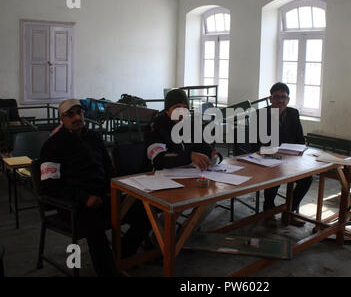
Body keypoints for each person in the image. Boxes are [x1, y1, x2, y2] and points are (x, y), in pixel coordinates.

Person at [40, 99, 150, 277]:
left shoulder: (93, 137)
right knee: (94, 226)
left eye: (79, 112)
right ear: (62, 118)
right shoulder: (52, 145)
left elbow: (108, 169)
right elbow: (50, 186)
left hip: (103, 197)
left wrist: (114, 188)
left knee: (145, 211)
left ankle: (121, 256)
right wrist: (84, 198)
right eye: (71, 114)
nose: (77, 117)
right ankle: (108, 272)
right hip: (73, 204)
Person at [259, 82, 313, 226]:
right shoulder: (261, 115)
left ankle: (289, 210)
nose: (280, 100)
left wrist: (300, 152)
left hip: (290, 157)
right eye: (277, 97)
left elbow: (300, 139)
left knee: (307, 179)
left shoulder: (293, 113)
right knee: (275, 175)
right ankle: (268, 209)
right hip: (268, 156)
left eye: (284, 97)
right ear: (270, 99)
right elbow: (257, 145)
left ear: (288, 99)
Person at [145, 89, 218, 171]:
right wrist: (189, 156)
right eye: (177, 107)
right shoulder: (156, 126)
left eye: (185, 108)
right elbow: (159, 158)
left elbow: (204, 148)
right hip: (160, 177)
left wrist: (214, 155)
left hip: (188, 174)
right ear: (167, 111)